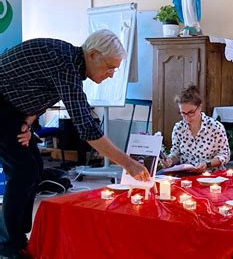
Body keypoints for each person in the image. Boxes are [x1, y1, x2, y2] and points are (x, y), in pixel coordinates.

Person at [0, 29, 150, 258]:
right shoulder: (65, 64)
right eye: (110, 66)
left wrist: (28, 123)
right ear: (93, 54)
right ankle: (8, 247)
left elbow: (40, 89)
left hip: (13, 110)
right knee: (22, 171)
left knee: (33, 169)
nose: (111, 74)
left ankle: (18, 239)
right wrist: (128, 164)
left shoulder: (70, 62)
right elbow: (87, 127)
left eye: (115, 69)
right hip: (3, 107)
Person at [162, 86, 230, 173]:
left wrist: (207, 164)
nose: (187, 117)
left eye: (191, 112)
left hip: (211, 175)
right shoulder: (179, 128)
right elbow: (176, 153)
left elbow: (225, 155)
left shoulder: (215, 127)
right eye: (183, 113)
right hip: (186, 176)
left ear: (200, 107)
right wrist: (170, 161)